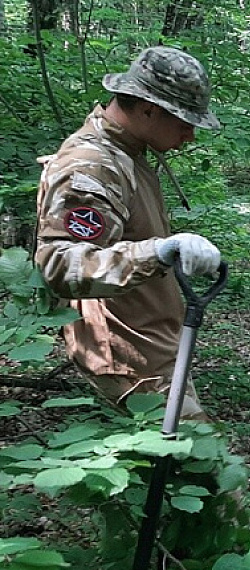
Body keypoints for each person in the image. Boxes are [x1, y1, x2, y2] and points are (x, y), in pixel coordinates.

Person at [35, 46, 223, 420]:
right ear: (147, 107)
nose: (190, 134)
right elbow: (60, 264)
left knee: (179, 470)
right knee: (209, 472)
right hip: (127, 356)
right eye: (184, 121)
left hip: (152, 348)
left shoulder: (128, 154)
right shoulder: (91, 165)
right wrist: (159, 252)